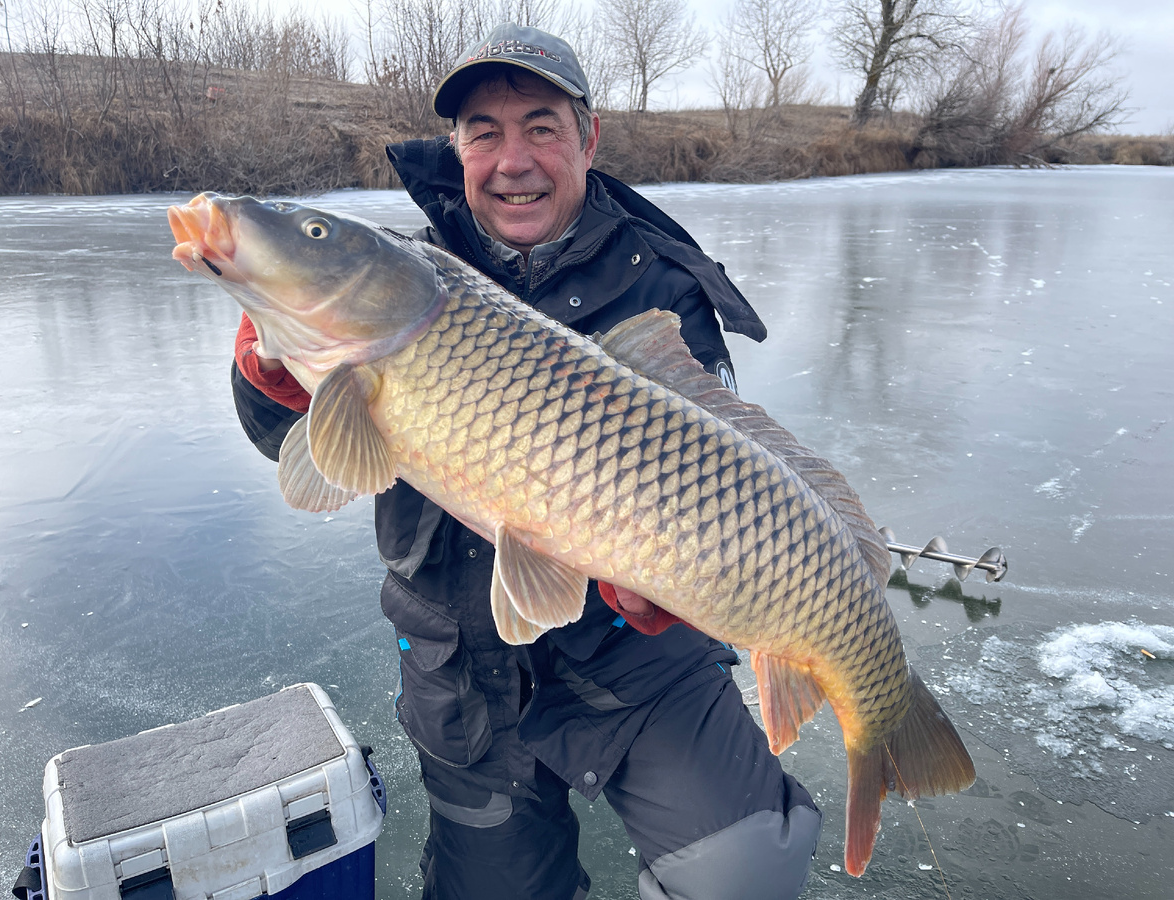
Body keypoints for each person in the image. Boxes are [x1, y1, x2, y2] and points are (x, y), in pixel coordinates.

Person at [231, 23, 821, 900]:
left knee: (748, 868)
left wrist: (672, 592)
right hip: (462, 663)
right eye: (484, 133)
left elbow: (721, 484)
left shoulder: (665, 286)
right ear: (456, 149)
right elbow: (291, 449)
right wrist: (270, 373)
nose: (513, 160)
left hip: (633, 663)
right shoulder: (396, 273)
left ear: (587, 139)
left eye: (540, 127)